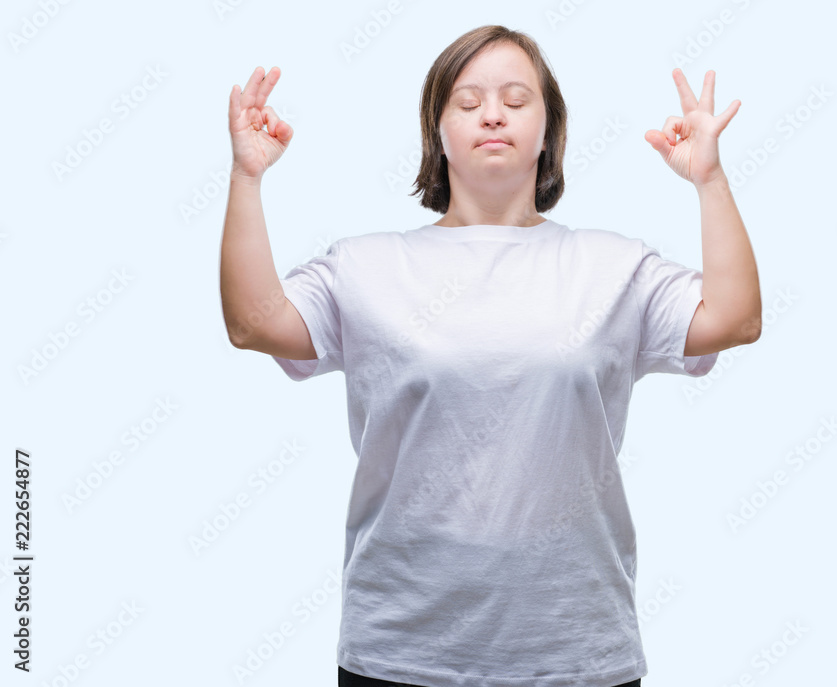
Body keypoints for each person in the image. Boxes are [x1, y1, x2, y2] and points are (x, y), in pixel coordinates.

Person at [220, 24, 761, 687]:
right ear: (436, 131)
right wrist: (247, 177)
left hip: (577, 656)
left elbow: (736, 318)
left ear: (549, 131)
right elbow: (252, 324)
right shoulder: (366, 265)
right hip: (401, 654)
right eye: (468, 101)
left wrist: (708, 178)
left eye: (515, 97)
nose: (493, 113)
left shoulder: (613, 266)